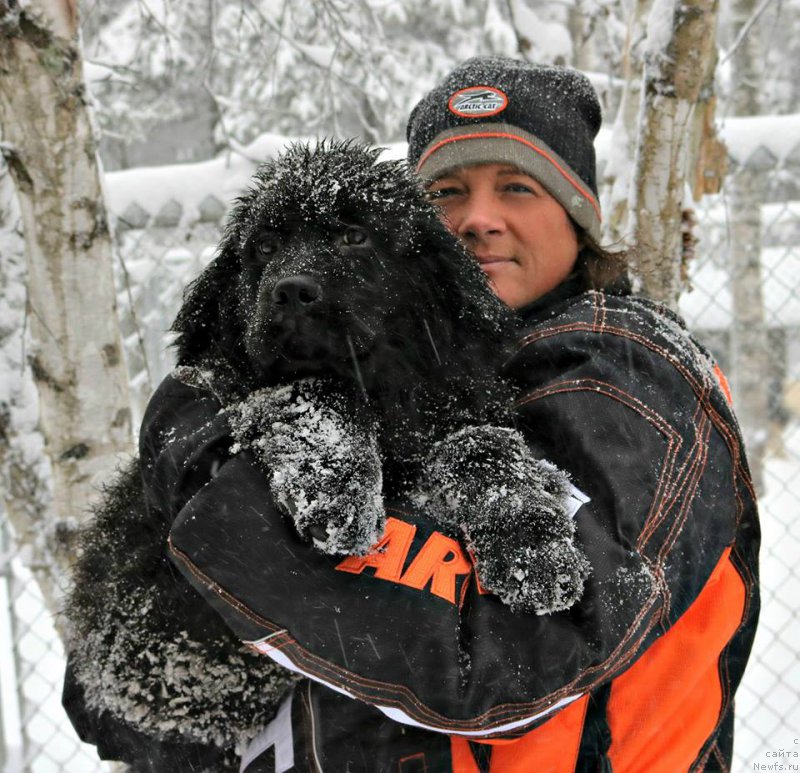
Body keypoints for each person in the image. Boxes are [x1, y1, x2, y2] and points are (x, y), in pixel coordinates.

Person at [66, 56, 760, 773]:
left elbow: (511, 650)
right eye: (445, 192)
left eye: (518, 187)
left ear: (577, 216)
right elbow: (113, 703)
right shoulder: (403, 365)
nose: (476, 219)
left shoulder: (627, 372)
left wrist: (208, 475)